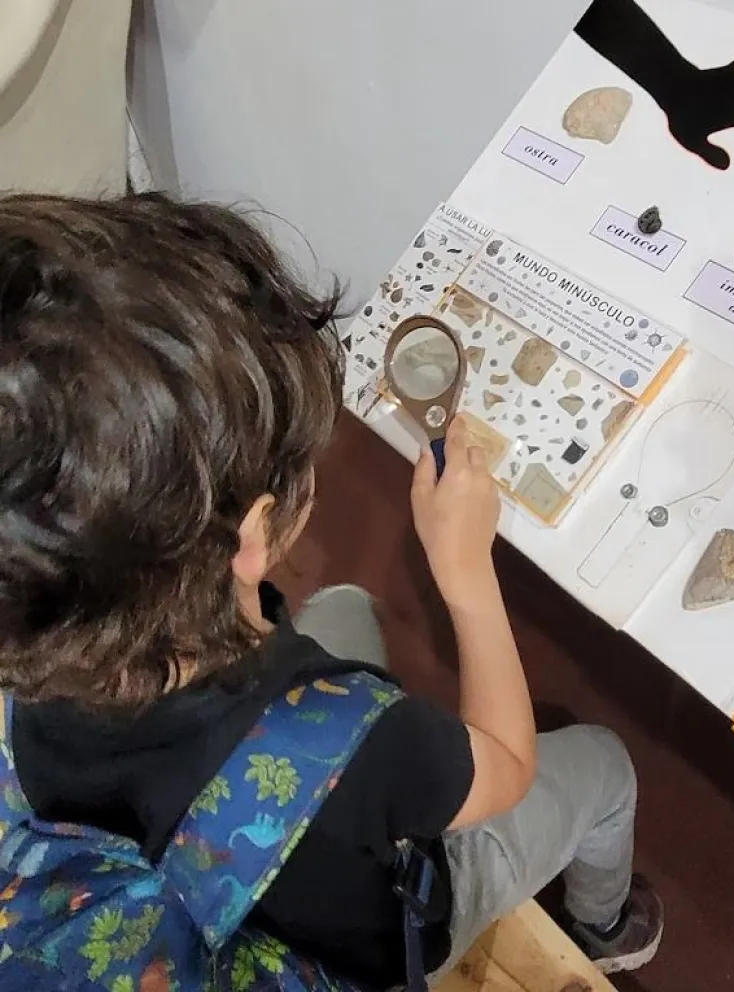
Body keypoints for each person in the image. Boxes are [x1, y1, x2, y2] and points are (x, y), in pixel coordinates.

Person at [0, 192, 663, 988]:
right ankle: (608, 927)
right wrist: (467, 575)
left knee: (344, 606)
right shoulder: (359, 742)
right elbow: (509, 768)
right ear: (252, 536)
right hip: (379, 924)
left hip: (209, 874)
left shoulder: (36, 648)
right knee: (605, 765)